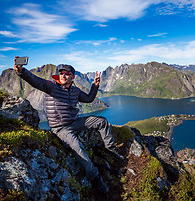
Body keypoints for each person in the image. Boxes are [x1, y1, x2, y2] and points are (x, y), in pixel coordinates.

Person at [14, 57, 124, 194]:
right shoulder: (51, 86)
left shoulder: (75, 91)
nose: (63, 75)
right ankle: (95, 178)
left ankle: (111, 150)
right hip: (60, 128)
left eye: (67, 73)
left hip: (75, 122)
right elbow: (35, 81)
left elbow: (89, 99)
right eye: (61, 73)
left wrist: (95, 86)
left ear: (72, 76)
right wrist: (21, 71)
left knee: (102, 122)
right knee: (79, 149)